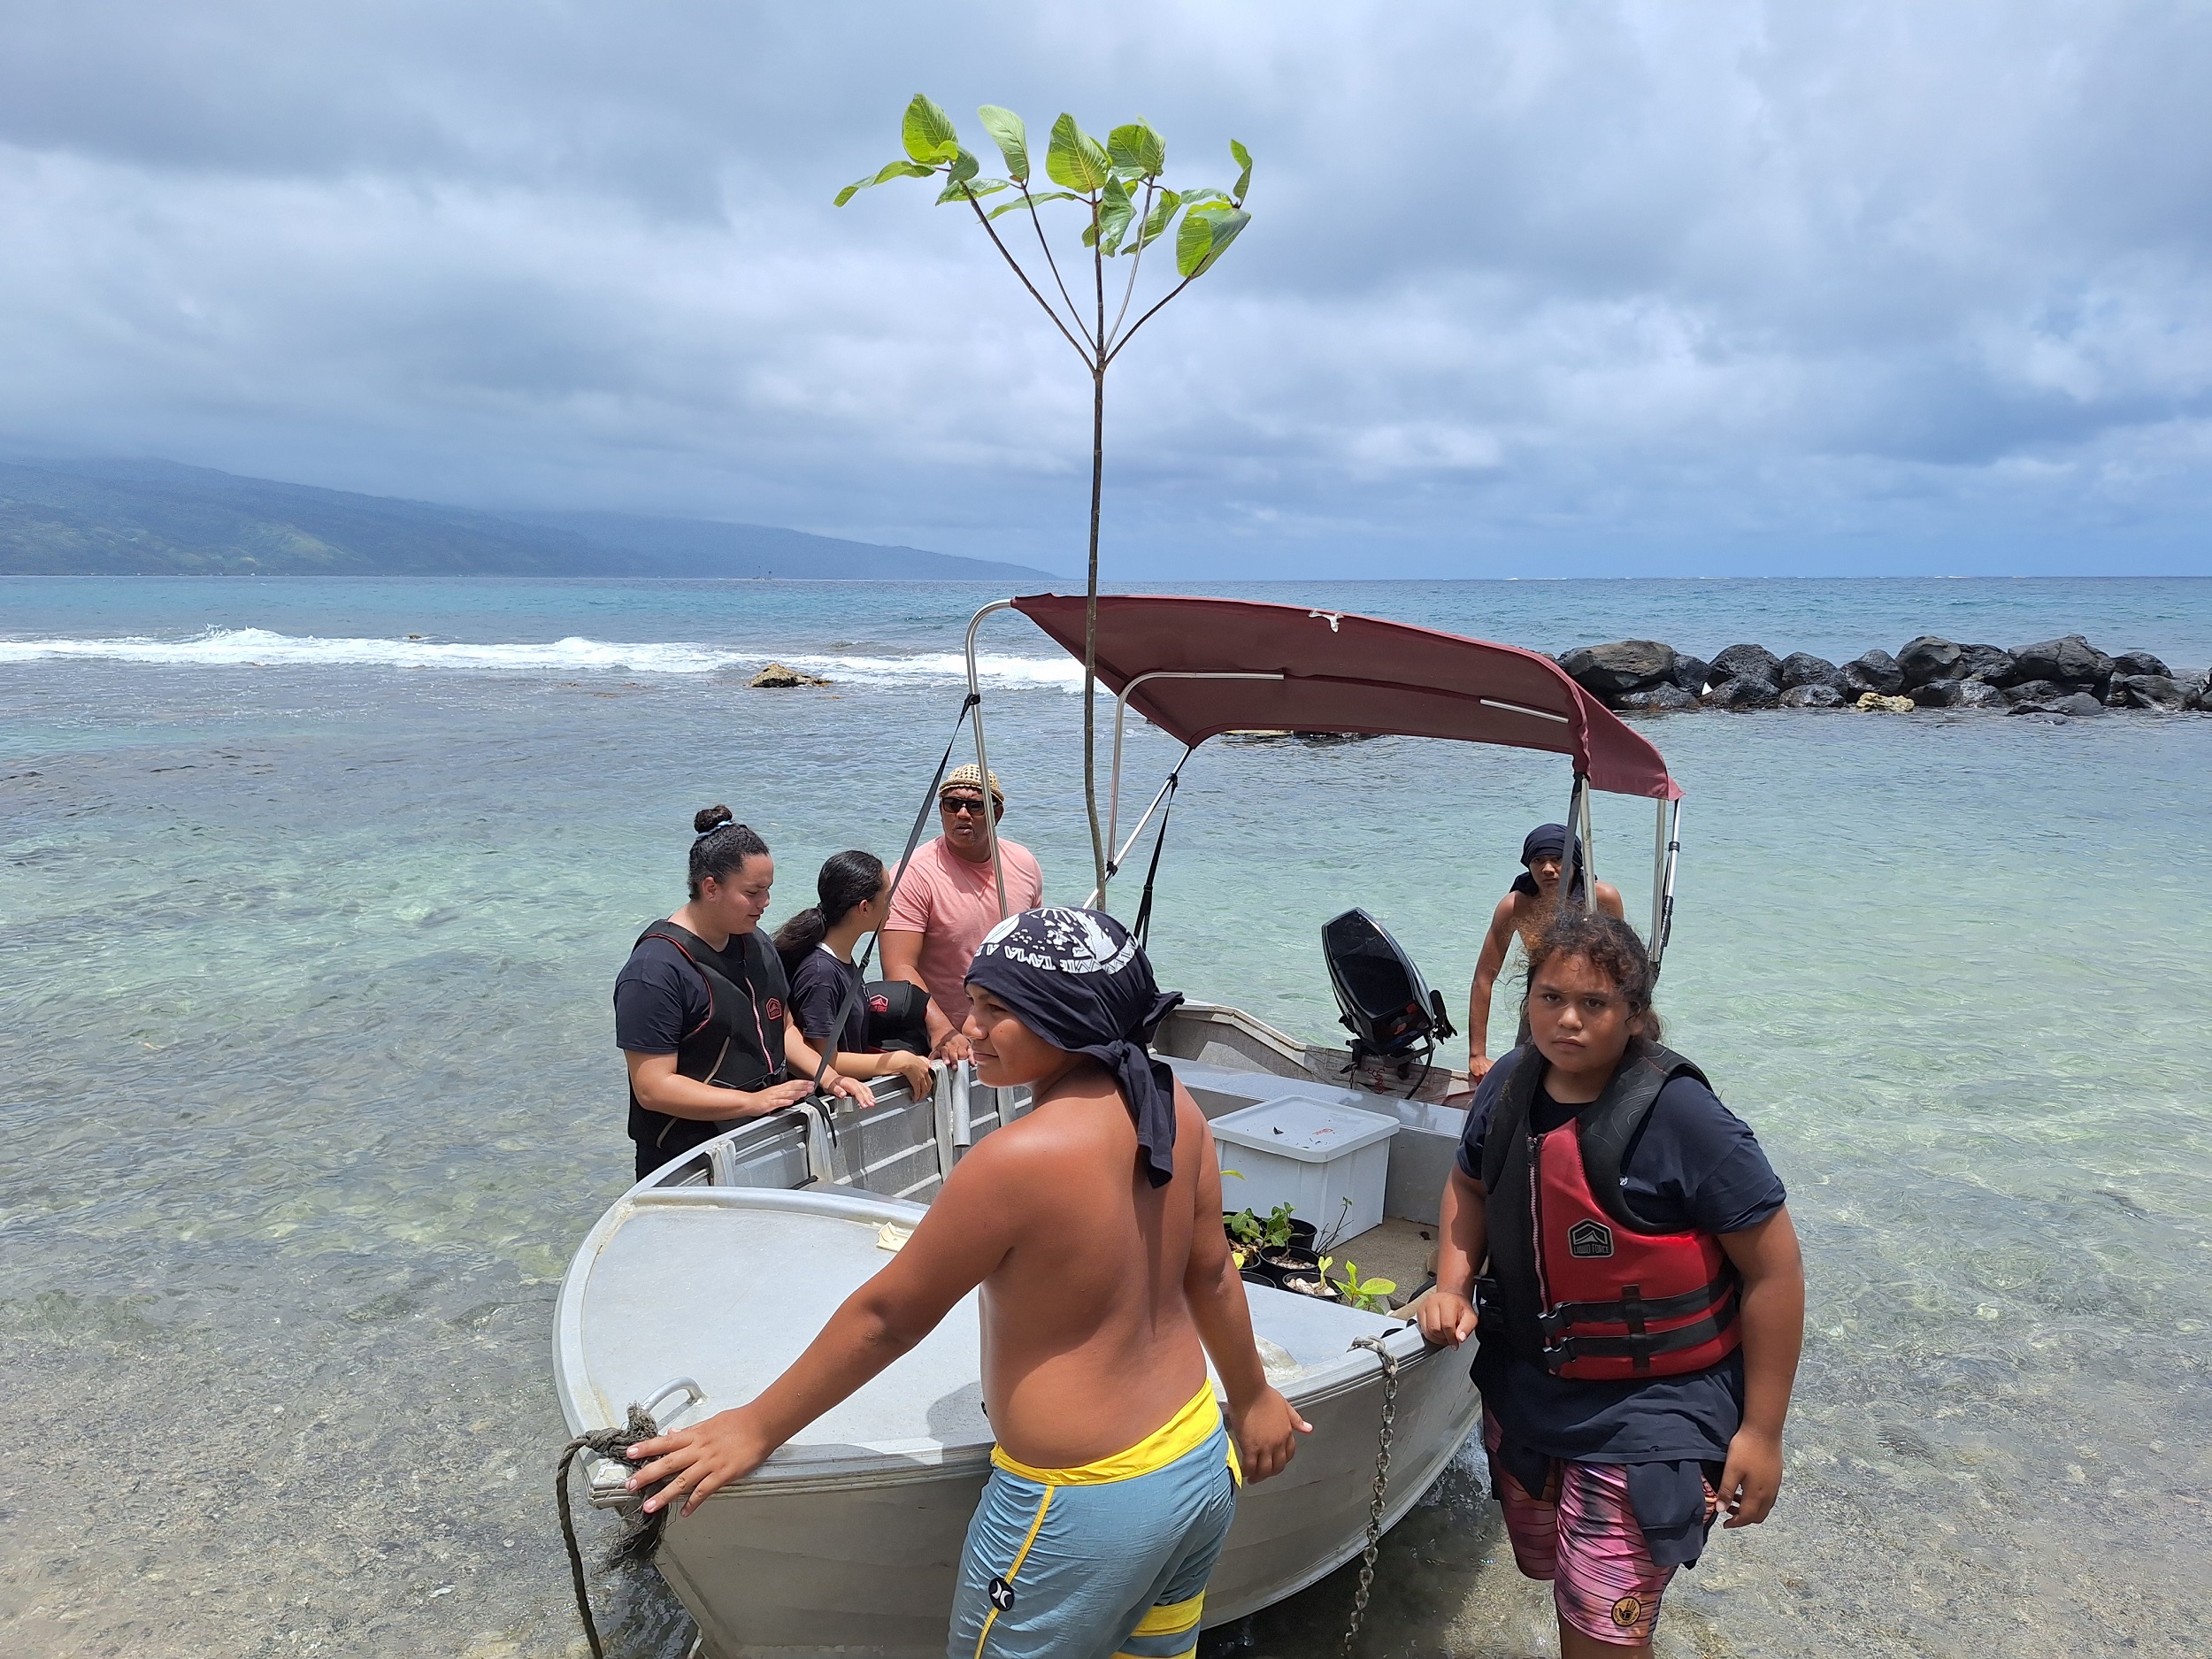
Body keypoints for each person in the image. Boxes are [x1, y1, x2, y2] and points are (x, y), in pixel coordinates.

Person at [624, 906, 1310, 1659]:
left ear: (1066, 1017)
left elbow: (890, 1316)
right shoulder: (1173, 1104)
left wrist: (756, 1426)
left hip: (1076, 1506)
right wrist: (1251, 1396)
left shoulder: (1018, 1159)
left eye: (996, 1010)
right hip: (1195, 1462)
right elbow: (1209, 1271)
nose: (969, 1027)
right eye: (973, 1002)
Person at [1417, 910, 1804, 1659]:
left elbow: (1774, 1268)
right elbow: (1467, 1186)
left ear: (1633, 1014)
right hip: (1532, 1388)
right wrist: (1451, 1284)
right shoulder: (1506, 1087)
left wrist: (1761, 1431)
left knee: (1603, 1634)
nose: (1567, 1019)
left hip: (1655, 1412)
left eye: (1593, 1004)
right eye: (1549, 997)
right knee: (1560, 1584)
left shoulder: (1686, 1117)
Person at [613, 807, 873, 1182]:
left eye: (768, 889)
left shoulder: (757, 944)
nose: (765, 902)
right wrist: (750, 1102)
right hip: (687, 1159)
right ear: (711, 887)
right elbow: (653, 1087)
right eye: (752, 892)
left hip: (759, 1137)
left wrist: (828, 1076)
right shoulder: (654, 971)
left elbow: (781, 1027)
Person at [879, 763, 1044, 1062]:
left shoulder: (1023, 863)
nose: (962, 814)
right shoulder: (915, 873)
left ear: (997, 814)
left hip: (1010, 1027)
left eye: (976, 806)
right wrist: (941, 1028)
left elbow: (1032, 949)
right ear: (941, 810)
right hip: (942, 1035)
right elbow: (899, 966)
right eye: (952, 804)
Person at [1466, 824, 1626, 1080]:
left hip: (1590, 1006)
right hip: (1542, 1005)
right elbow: (1484, 978)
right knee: (1526, 1080)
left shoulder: (1601, 899)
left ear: (1574, 862)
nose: (1548, 869)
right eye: (1538, 860)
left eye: (1557, 860)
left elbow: (1622, 969)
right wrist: (1477, 1054)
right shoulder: (1515, 906)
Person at [772, 849, 936, 1100]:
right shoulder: (821, 974)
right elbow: (829, 1061)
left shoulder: (842, 960)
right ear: (864, 908)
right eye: (887, 898)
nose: (891, 906)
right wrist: (897, 1061)